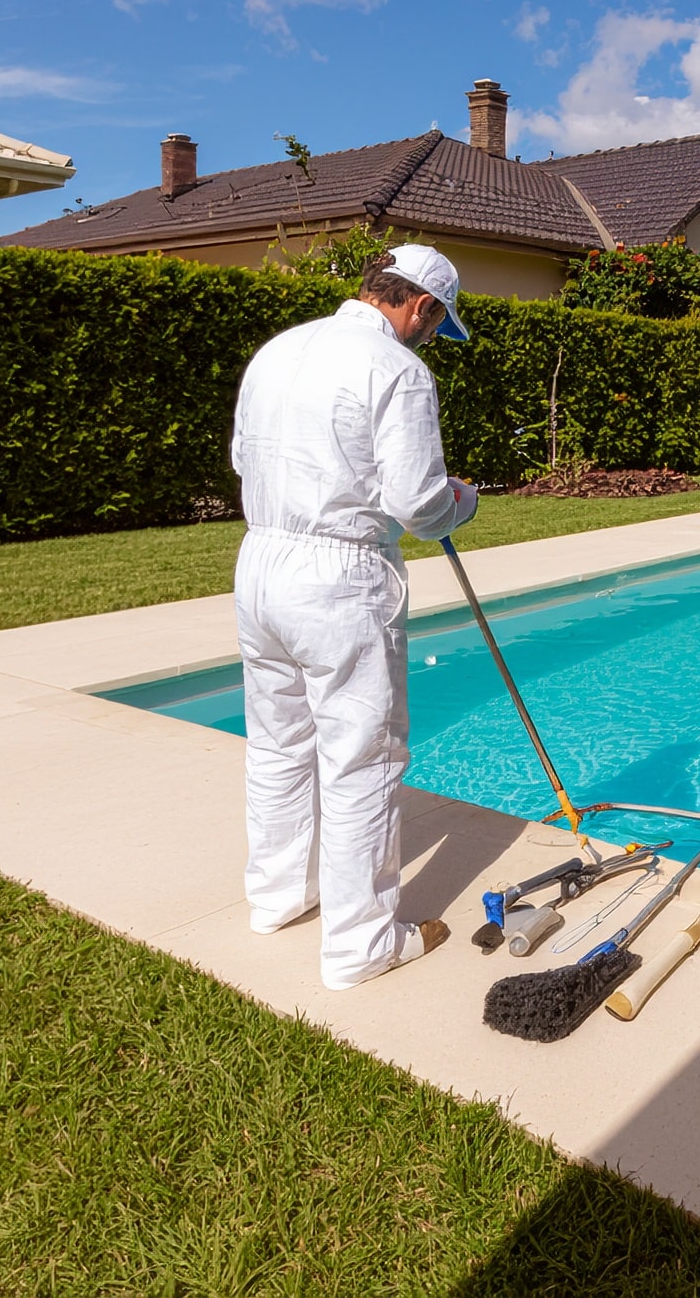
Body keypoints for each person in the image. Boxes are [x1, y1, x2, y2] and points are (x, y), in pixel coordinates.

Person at [230, 244, 481, 989]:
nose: (430, 338)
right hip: (339, 577)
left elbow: (244, 459)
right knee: (361, 760)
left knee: (277, 743)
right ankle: (360, 945)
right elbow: (418, 503)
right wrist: (462, 501)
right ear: (421, 306)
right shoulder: (397, 369)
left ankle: (278, 898)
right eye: (435, 324)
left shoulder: (279, 349)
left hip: (260, 564)